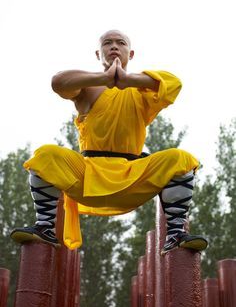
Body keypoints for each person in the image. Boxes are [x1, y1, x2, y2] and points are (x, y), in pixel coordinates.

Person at [10, 29, 208, 255]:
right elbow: (59, 82)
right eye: (107, 43)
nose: (114, 46)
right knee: (45, 155)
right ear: (98, 53)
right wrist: (105, 78)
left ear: (130, 53)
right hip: (86, 177)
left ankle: (175, 234)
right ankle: (45, 227)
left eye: (120, 43)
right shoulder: (88, 88)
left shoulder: (141, 90)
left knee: (180, 159)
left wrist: (127, 80)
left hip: (132, 176)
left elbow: (174, 84)